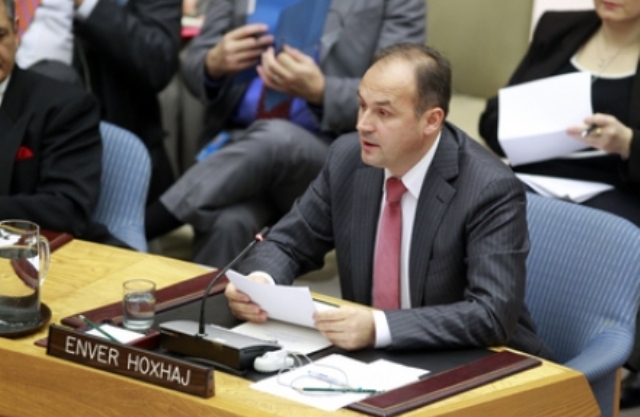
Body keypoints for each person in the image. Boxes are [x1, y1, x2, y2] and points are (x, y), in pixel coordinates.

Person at [224, 43, 554, 359]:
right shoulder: (347, 159)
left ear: (431, 121)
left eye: (383, 112)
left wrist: (379, 328)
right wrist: (260, 284)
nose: (362, 125)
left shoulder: (488, 188)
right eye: (362, 105)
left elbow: (491, 314)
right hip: (373, 361)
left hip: (479, 362)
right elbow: (287, 243)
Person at [145, 0, 427, 268]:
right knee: (228, 223)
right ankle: (203, 304)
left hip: (327, 155)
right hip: (237, 149)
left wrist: (321, 91)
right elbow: (193, 66)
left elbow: (399, 96)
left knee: (276, 138)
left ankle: (146, 225)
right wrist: (212, 63)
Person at [477, 1, 640, 407]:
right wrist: (519, 123)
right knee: (476, 206)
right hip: (534, 178)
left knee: (603, 237)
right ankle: (478, 343)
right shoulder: (560, 27)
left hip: (618, 188)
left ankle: (587, 363)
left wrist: (627, 143)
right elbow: (495, 115)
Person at [17, 0, 182, 203]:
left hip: (99, 147)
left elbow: (159, 61)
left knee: (55, 77)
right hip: (12, 131)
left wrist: (87, 5)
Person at [0, 0, 121, 246]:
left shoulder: (66, 107)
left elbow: (67, 210)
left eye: (0, 36)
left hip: (45, 253)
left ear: (16, 31)